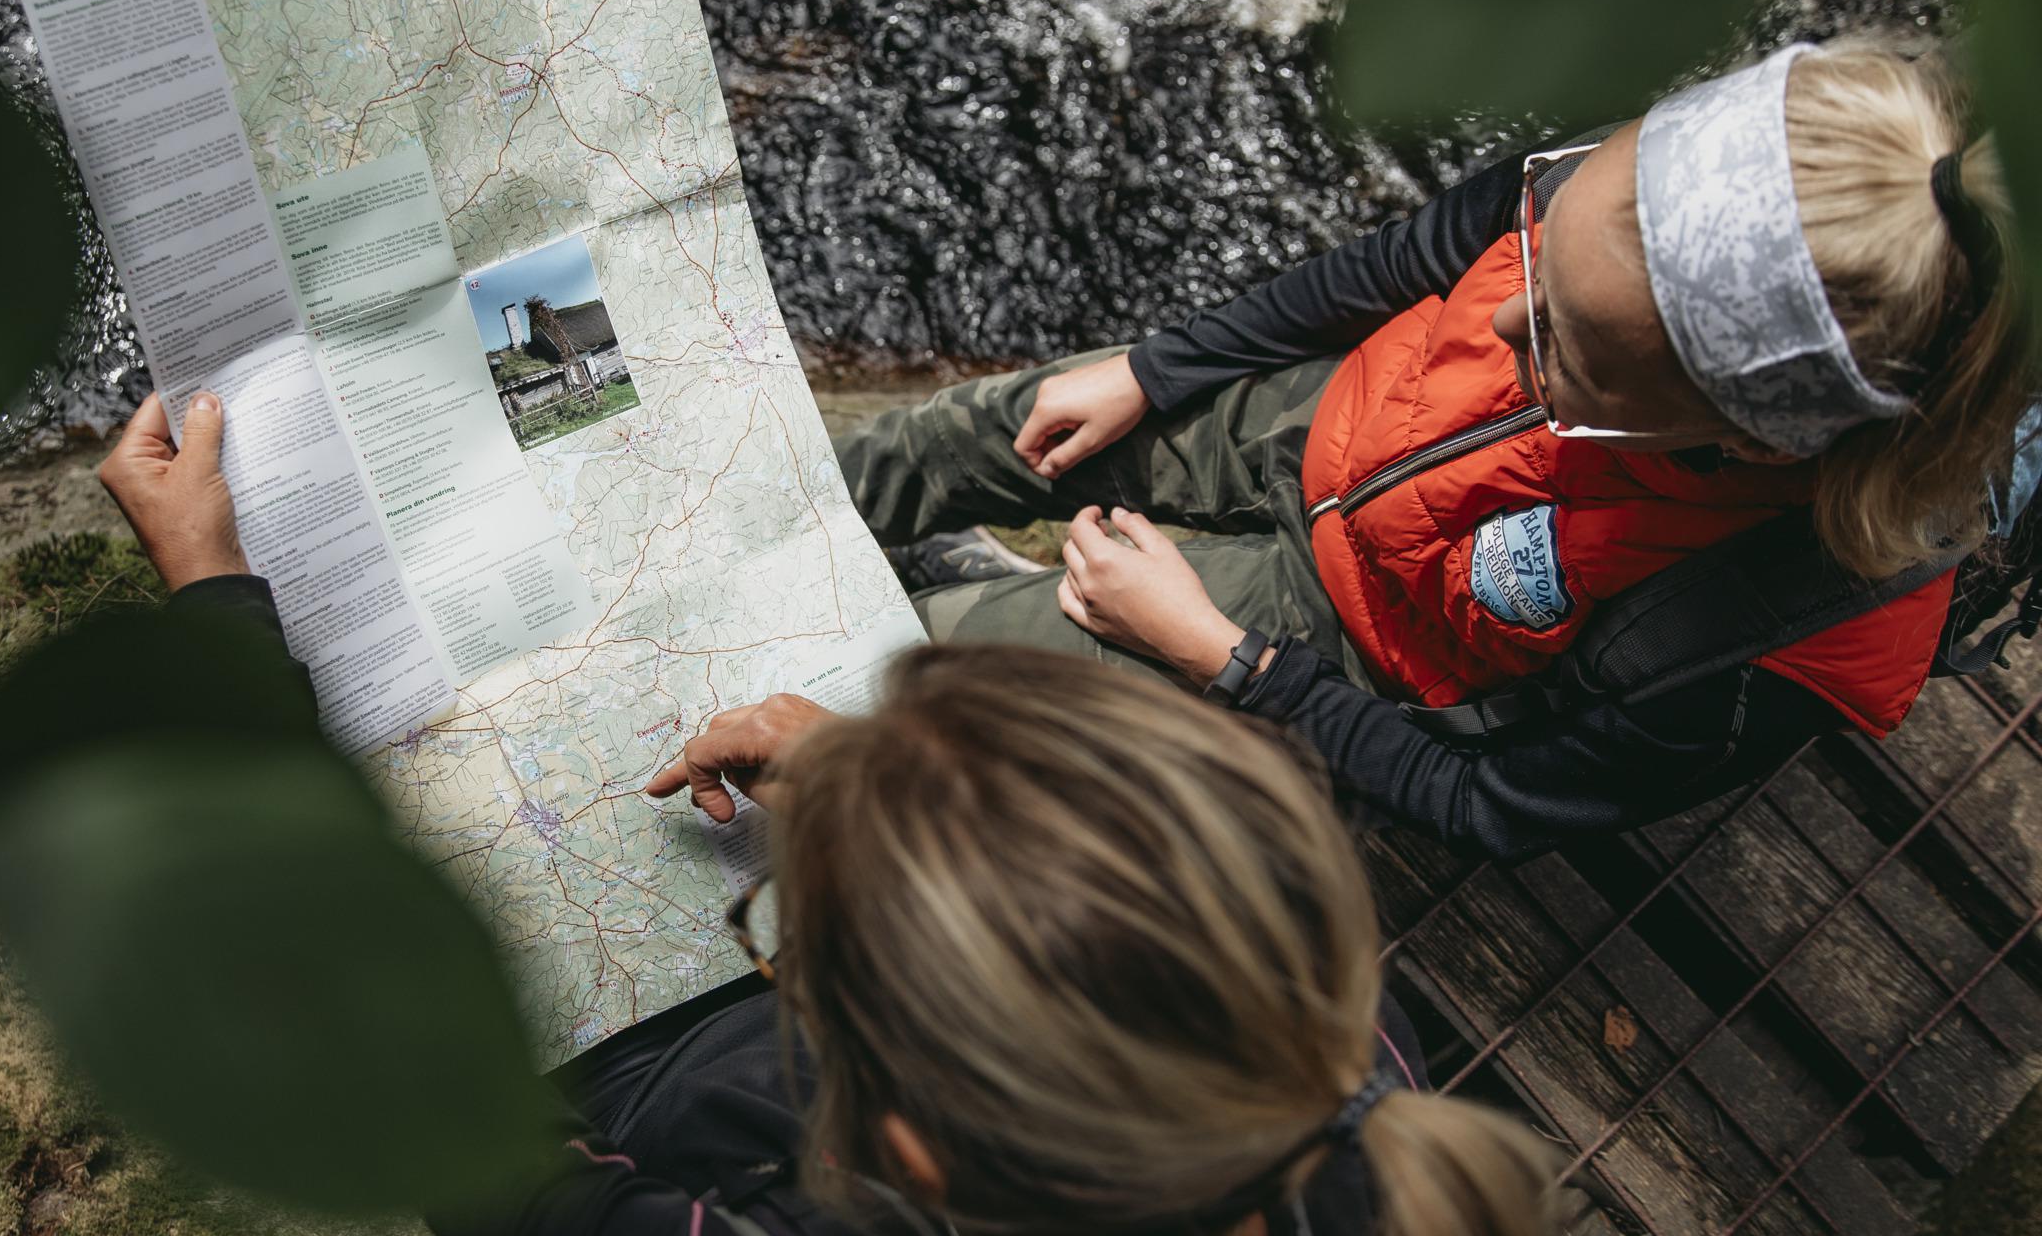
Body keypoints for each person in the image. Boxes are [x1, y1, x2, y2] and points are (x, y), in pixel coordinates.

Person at [97, 394, 1559, 1236]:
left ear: (902, 1141)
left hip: (633, 1067)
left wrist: (222, 610)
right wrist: (874, 781)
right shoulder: (1338, 1075)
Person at [846, 44, 2038, 859]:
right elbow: (1394, 264)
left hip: (1350, 638)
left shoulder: (1767, 639)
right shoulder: (1657, 189)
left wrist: (1224, 661)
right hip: (1333, 415)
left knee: (920, 699)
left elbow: (1487, 806)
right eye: (1540, 264)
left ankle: (975, 602)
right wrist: (1159, 370)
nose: (1507, 318)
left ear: (1736, 435)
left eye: (1565, 352)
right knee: (967, 432)